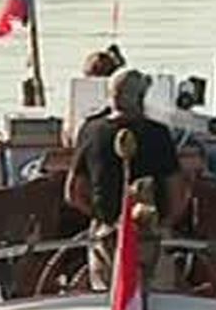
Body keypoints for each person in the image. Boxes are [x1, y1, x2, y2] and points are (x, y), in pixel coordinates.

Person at [65, 67, 188, 285]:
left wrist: (104, 219)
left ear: (111, 96)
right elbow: (177, 193)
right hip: (152, 240)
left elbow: (73, 192)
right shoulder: (158, 135)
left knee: (109, 299)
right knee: (157, 296)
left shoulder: (90, 131)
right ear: (141, 98)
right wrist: (165, 225)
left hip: (106, 240)